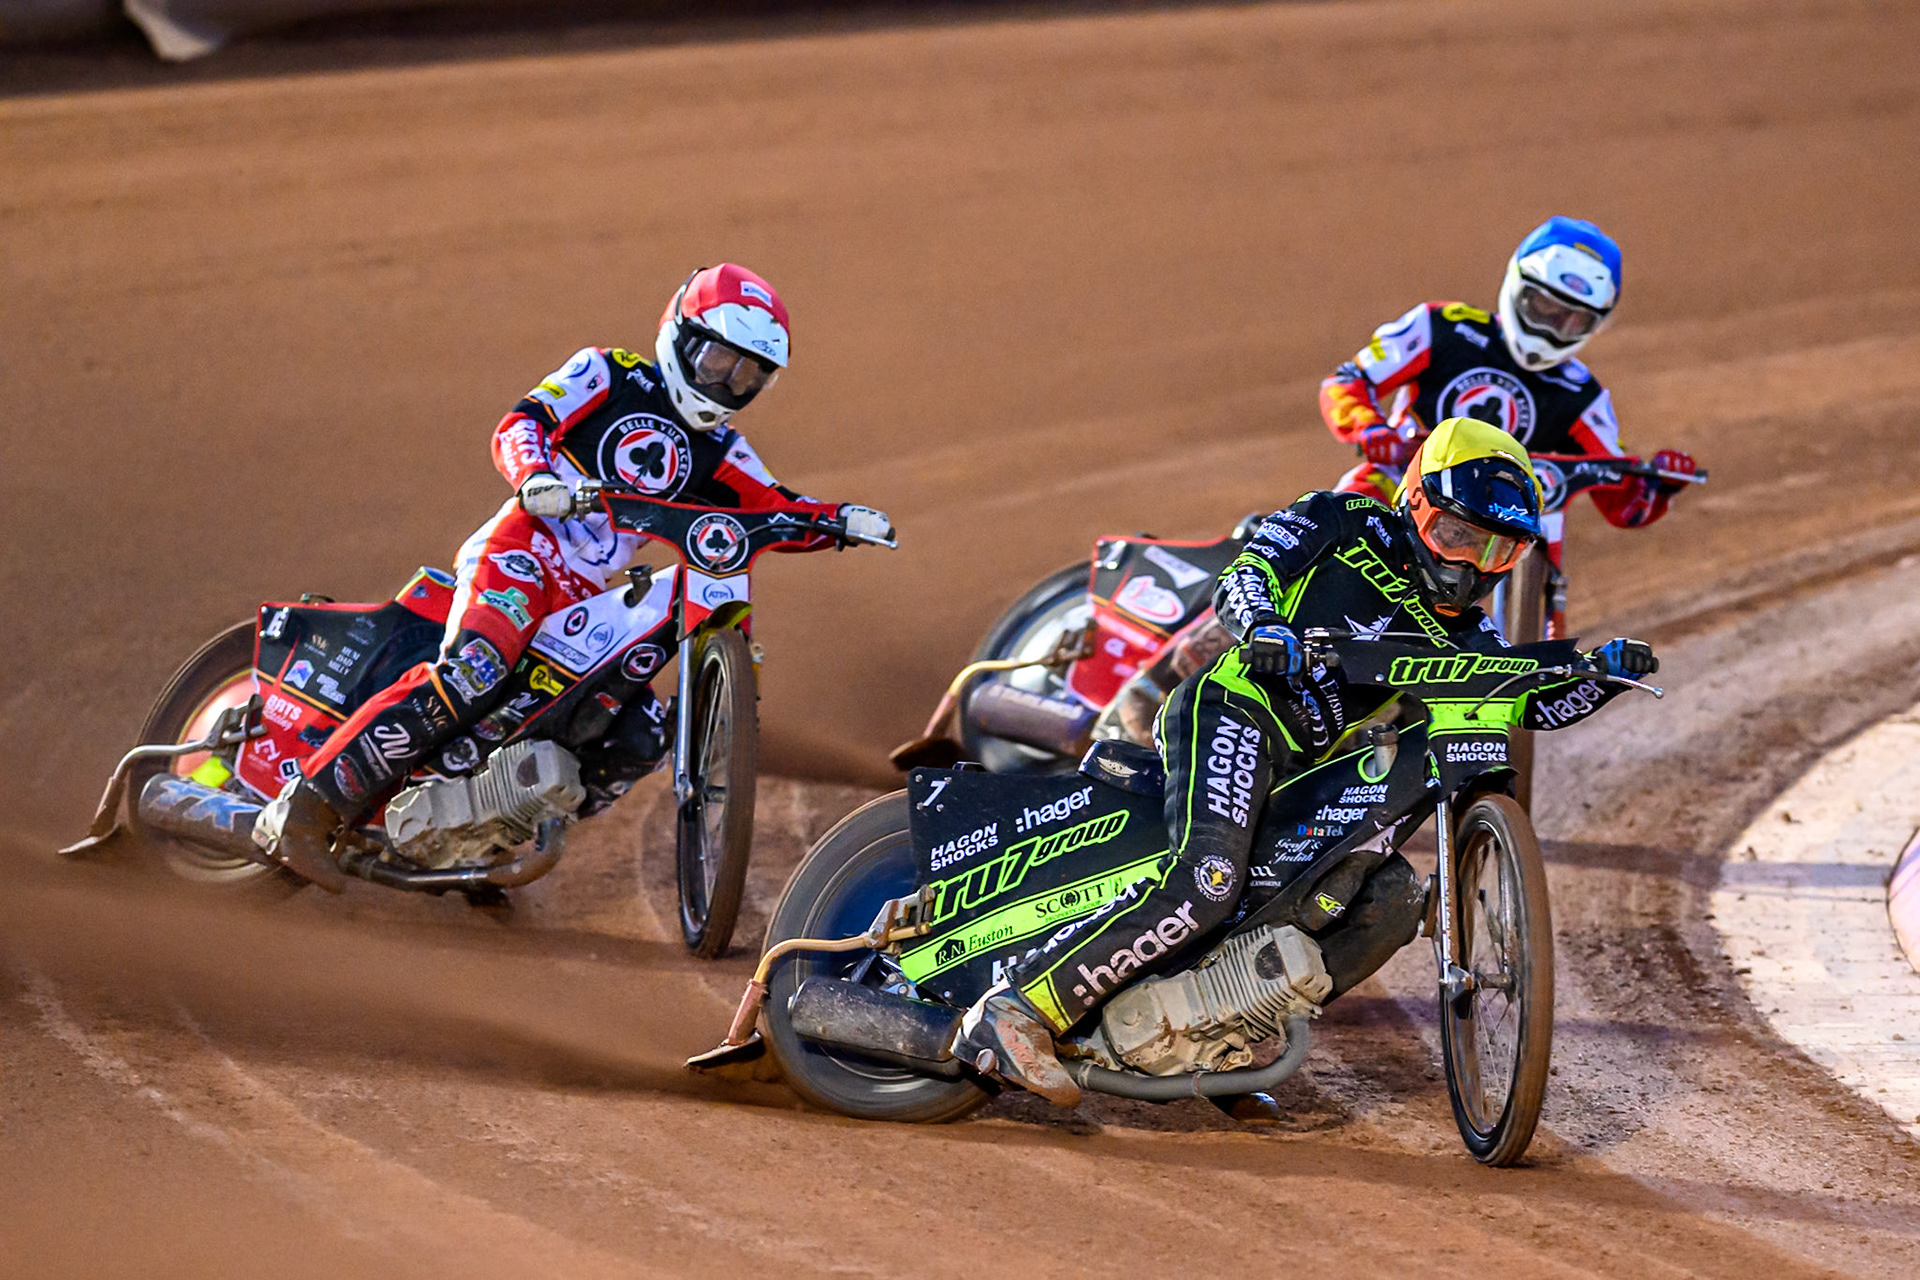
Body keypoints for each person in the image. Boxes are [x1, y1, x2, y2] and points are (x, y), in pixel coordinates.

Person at [956, 418, 1657, 1105]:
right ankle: (1018, 1009)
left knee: (1386, 903)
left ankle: (1210, 1037)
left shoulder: (1468, 634)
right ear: (1415, 503)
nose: (1468, 564)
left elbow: (1527, 701)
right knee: (1209, 881)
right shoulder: (1341, 518)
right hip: (1234, 710)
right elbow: (1247, 574)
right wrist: (1263, 625)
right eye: (1458, 535)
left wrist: (1597, 677)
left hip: (1303, 769)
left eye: (1498, 553)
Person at [255, 264, 893, 892]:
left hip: (588, 595)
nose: (729, 381)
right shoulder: (607, 372)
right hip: (523, 551)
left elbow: (776, 508)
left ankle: (489, 828)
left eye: (749, 373)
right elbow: (521, 423)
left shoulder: (726, 451)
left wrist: (839, 522)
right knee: (477, 668)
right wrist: (537, 479)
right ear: (682, 336)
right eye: (719, 361)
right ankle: (307, 808)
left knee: (641, 735)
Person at [1319, 216, 1696, 633]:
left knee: (1539, 529)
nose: (1552, 328)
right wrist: (1370, 429)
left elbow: (1623, 501)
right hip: (1405, 478)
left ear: (1595, 323)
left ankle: (1525, 658)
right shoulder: (1442, 328)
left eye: (1573, 320)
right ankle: (1285, 607)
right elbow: (1347, 381)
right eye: (1545, 307)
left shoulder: (1583, 396)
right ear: (1518, 285)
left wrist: (1659, 486)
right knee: (1344, 514)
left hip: (1497, 521)